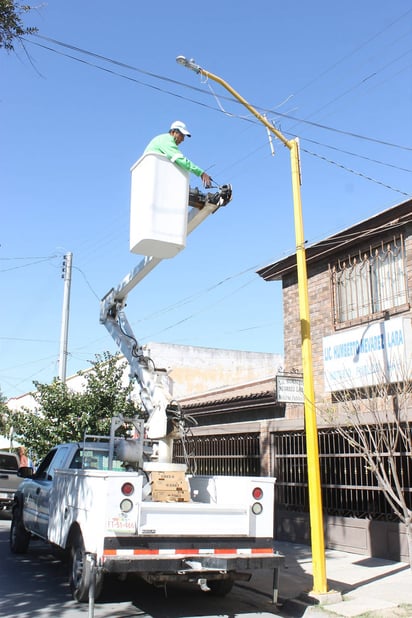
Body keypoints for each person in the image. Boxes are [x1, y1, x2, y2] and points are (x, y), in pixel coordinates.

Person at [143, 120, 212, 188]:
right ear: (173, 132)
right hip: (151, 176)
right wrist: (201, 173)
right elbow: (180, 159)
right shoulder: (166, 140)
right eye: (182, 135)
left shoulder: (162, 139)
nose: (183, 140)